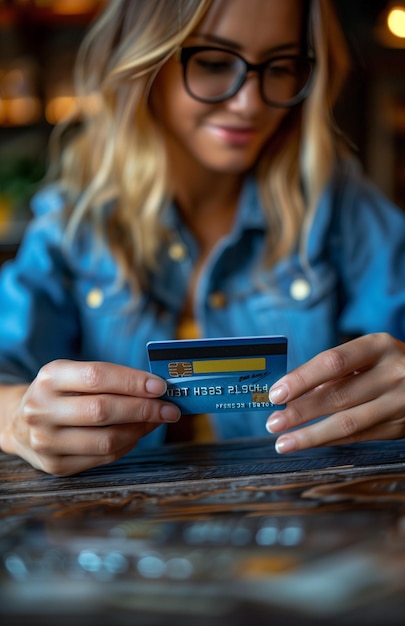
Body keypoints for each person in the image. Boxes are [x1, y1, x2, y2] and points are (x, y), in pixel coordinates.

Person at [0, 0, 404, 476]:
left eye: (280, 66)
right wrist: (15, 420)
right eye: (214, 63)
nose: (250, 103)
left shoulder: (341, 207)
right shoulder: (72, 225)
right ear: (145, 62)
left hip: (307, 533)